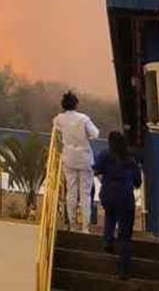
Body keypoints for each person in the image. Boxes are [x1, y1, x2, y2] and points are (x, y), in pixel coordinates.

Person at [95, 131, 142, 280]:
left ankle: (108, 241)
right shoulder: (131, 158)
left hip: (108, 194)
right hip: (125, 198)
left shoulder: (105, 154)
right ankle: (124, 271)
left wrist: (105, 179)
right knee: (125, 235)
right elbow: (137, 183)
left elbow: (97, 169)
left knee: (110, 216)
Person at [53, 91, 99, 232]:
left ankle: (72, 225)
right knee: (85, 194)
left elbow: (57, 130)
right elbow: (95, 134)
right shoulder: (83, 118)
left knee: (71, 192)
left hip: (69, 158)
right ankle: (85, 227)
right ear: (76, 104)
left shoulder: (59, 119)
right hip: (84, 158)